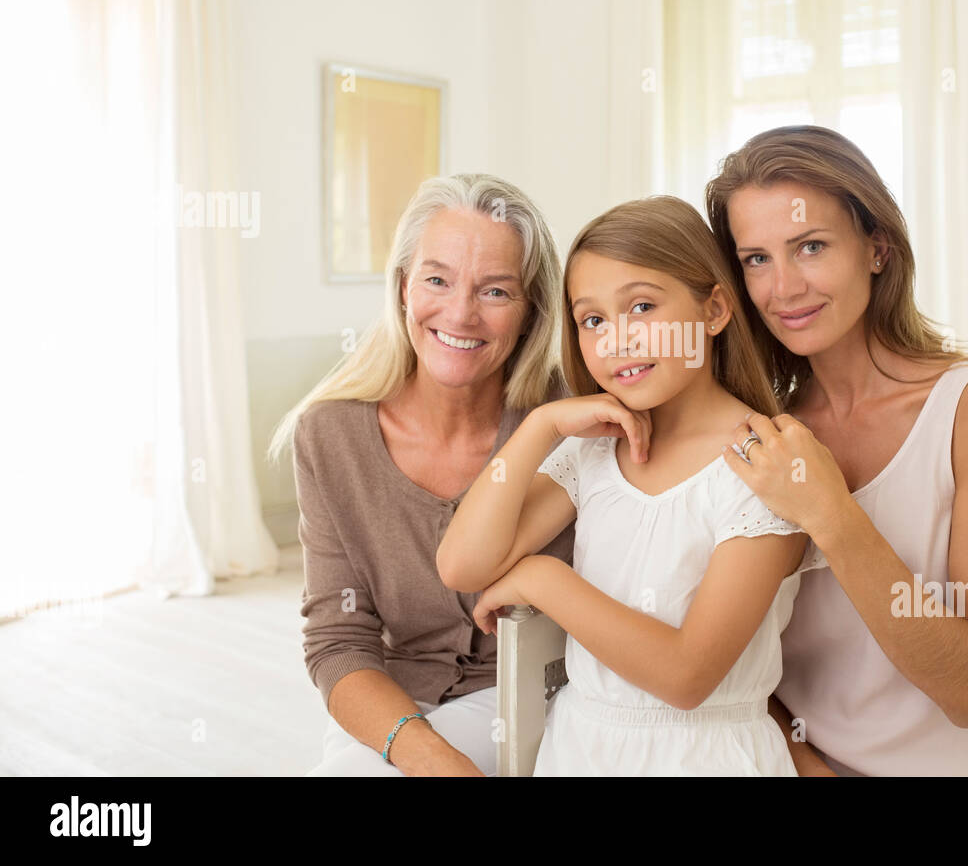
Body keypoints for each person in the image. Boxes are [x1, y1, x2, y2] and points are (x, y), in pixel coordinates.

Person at [438, 195, 826, 775]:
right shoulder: (594, 451)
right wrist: (543, 426)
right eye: (592, 320)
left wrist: (543, 578)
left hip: (707, 758)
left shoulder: (763, 466)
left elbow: (686, 676)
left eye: (641, 306)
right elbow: (462, 566)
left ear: (715, 309)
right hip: (579, 751)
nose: (616, 341)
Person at [705, 125, 968, 776]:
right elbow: (742, 667)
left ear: (877, 248)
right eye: (756, 259)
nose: (785, 288)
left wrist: (831, 515)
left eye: (810, 246)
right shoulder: (761, 434)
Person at [266, 173, 575, 776]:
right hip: (391, 700)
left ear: (530, 309)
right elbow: (338, 641)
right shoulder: (328, 435)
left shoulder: (568, 422)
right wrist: (430, 756)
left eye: (495, 291)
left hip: (540, 697)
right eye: (437, 279)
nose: (460, 313)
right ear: (403, 287)